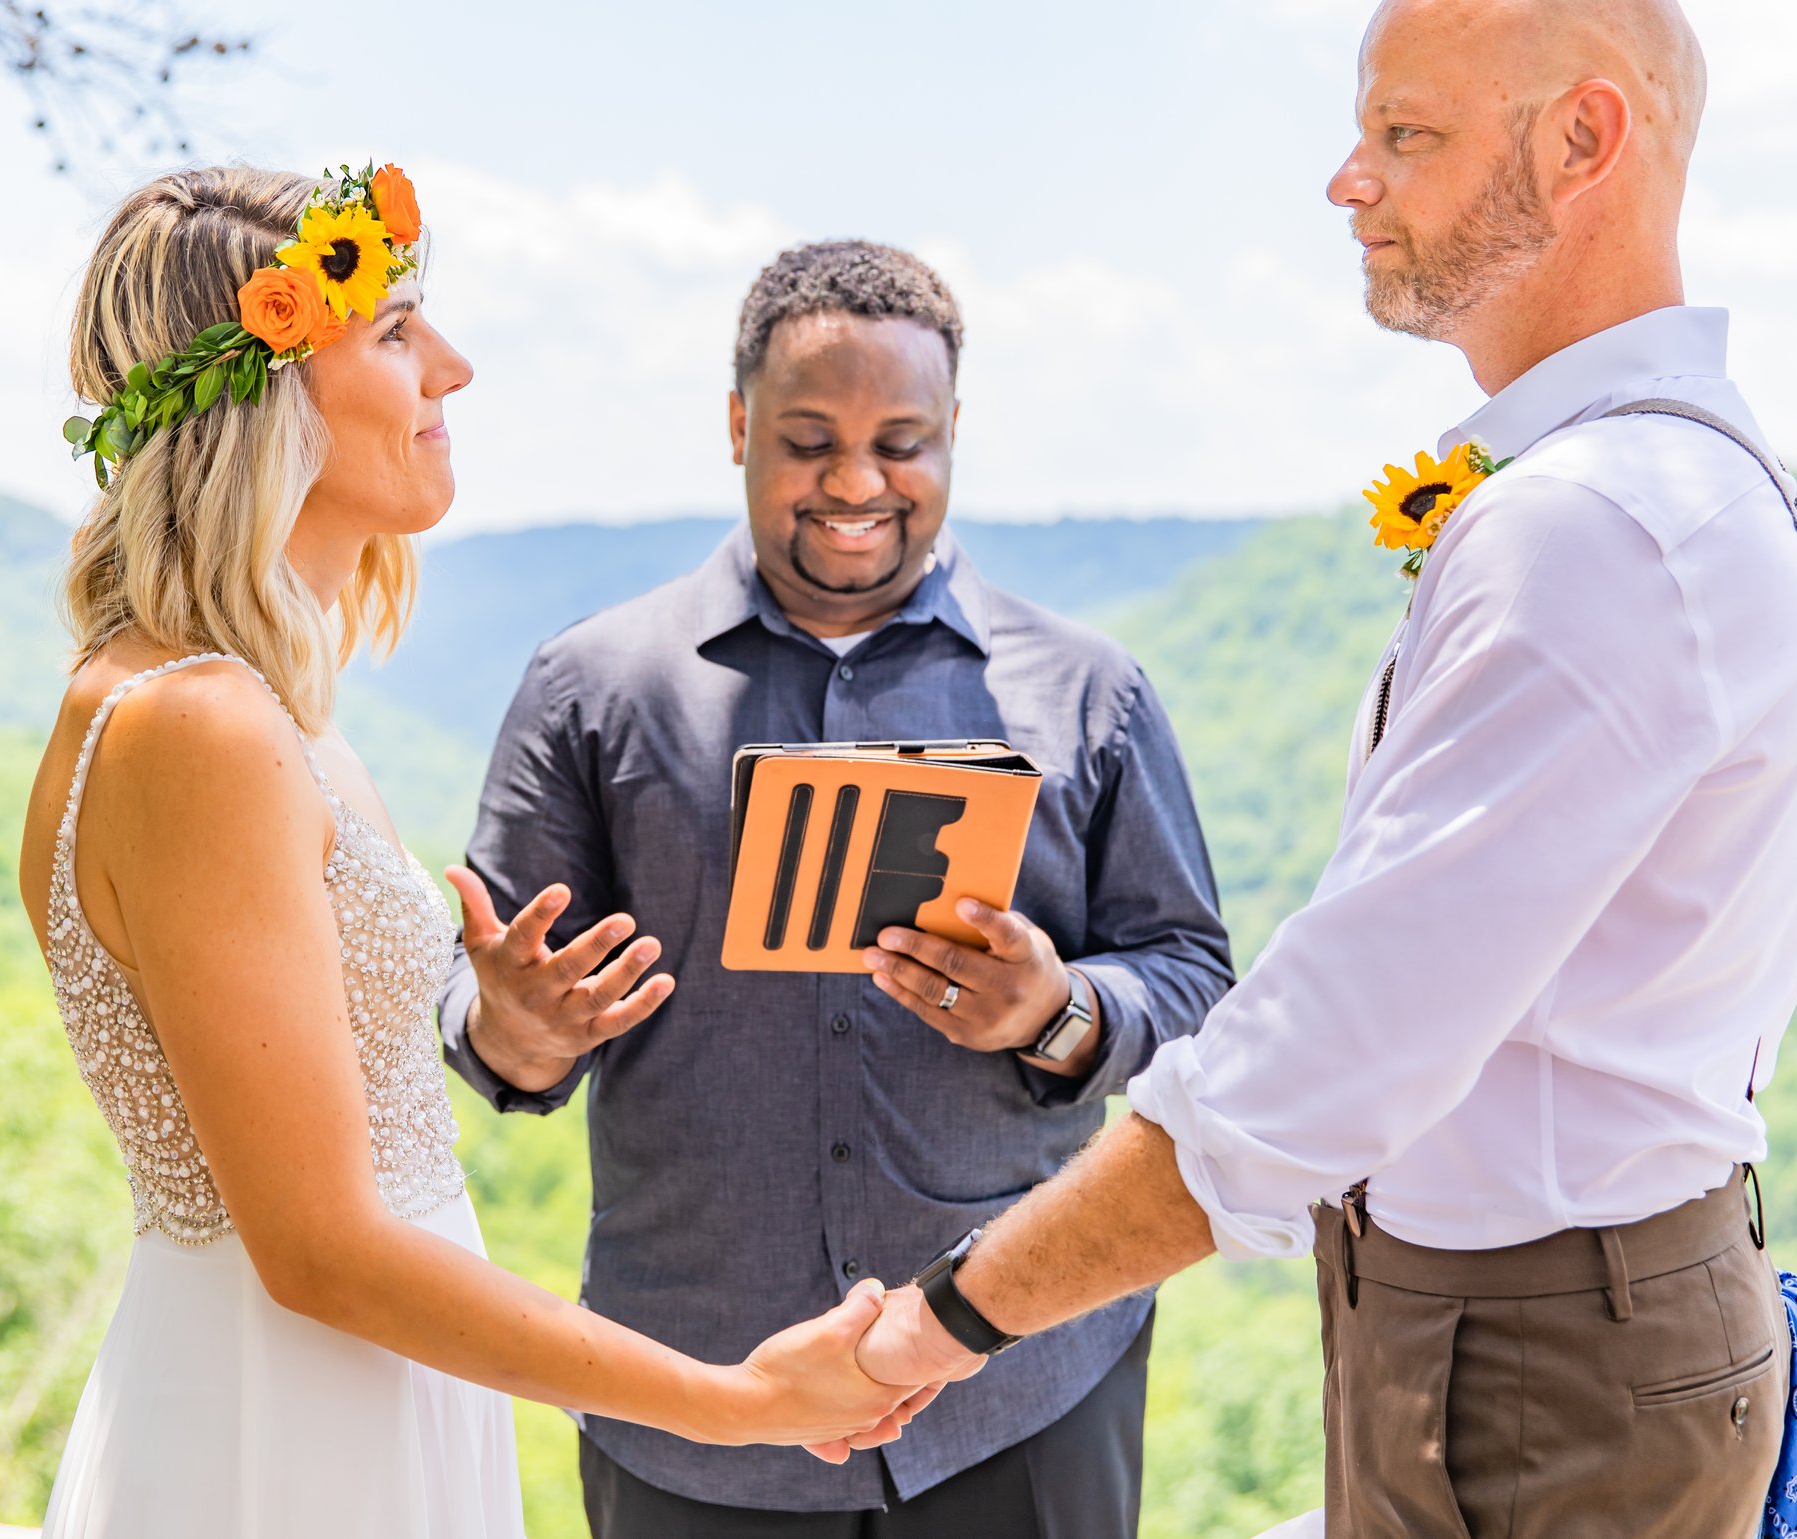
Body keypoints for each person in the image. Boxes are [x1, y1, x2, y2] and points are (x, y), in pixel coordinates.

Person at [852, 0, 1797, 1539]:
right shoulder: (1670, 486)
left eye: (1407, 134)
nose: (1347, 182)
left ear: (1584, 141)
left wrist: (948, 1317)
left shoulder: (1595, 527)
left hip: (1538, 1372)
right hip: (1557, 1334)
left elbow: (1329, 1051)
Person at [16, 165, 939, 1539]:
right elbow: (322, 1251)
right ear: (258, 397)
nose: (452, 364)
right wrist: (731, 1399)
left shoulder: (265, 716)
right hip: (289, 1430)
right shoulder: (201, 728)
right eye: (394, 334)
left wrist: (490, 1018)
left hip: (361, 1394)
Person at [438, 239, 1236, 1536]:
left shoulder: (1092, 692)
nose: (857, 483)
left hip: (1022, 1390)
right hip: (693, 1399)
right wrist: (517, 1034)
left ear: (955, 435)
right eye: (809, 439)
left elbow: (1198, 983)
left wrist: (1055, 1011)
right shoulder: (589, 687)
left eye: (902, 442)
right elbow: (503, 1028)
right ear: (739, 423)